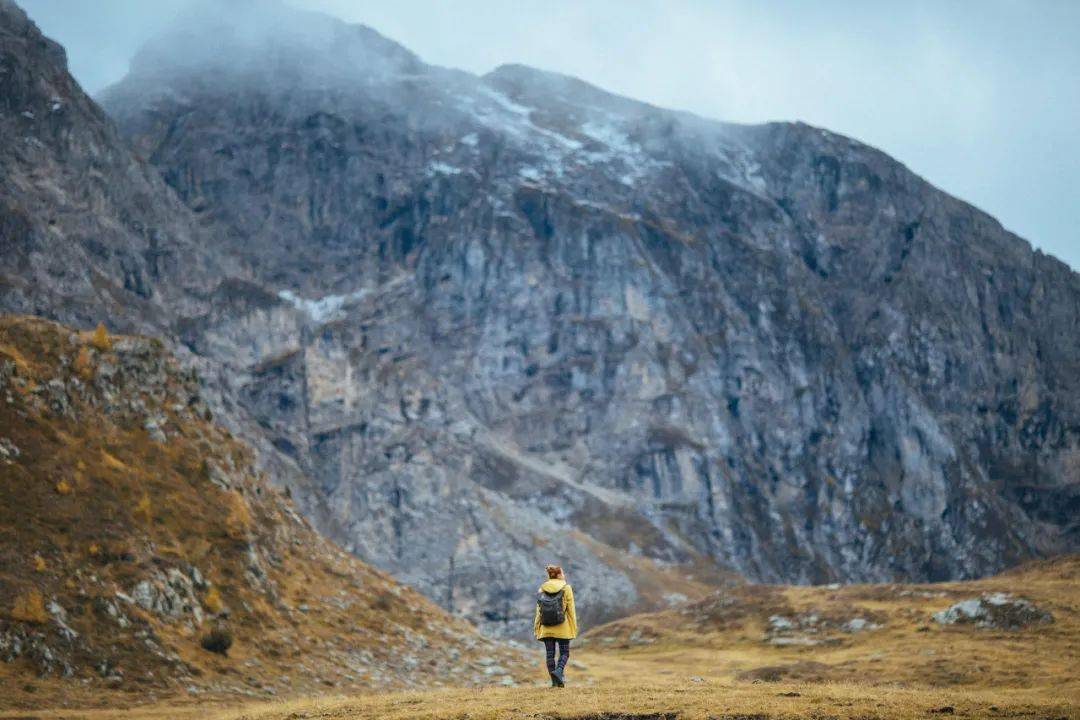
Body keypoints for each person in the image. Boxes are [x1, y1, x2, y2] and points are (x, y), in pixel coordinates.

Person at [533, 564, 577, 687]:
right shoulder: (566, 588)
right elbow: (571, 610)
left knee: (550, 654)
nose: (564, 575)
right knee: (565, 653)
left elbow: (539, 611)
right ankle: (558, 671)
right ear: (558, 575)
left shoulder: (542, 589)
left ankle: (554, 683)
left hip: (546, 628)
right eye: (562, 573)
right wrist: (573, 627)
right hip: (562, 628)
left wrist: (537, 628)